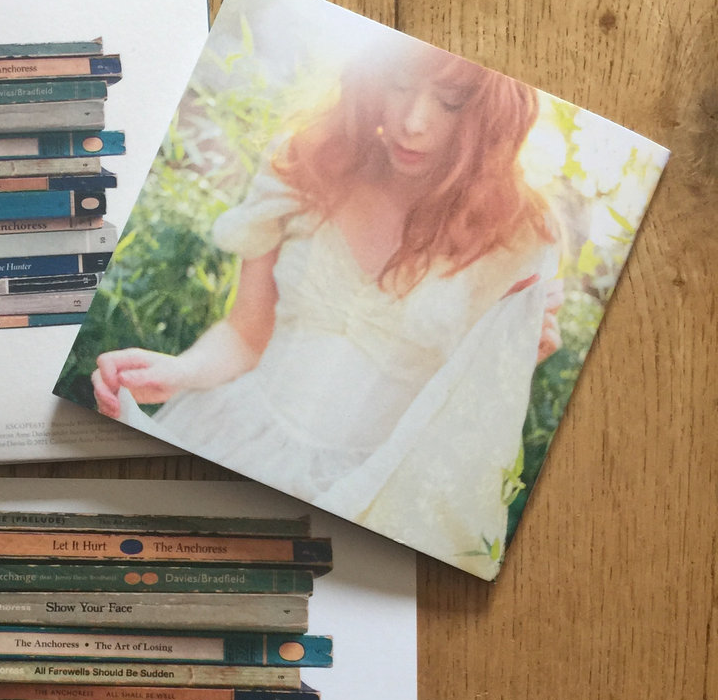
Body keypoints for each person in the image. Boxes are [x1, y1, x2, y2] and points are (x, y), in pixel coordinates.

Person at [90, 35, 563, 578]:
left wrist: (513, 361)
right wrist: (178, 373)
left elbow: (465, 426)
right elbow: (247, 333)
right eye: (399, 85)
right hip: (233, 438)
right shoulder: (310, 164)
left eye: (450, 102)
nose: (413, 121)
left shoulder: (517, 237)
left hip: (369, 498)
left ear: (493, 114)